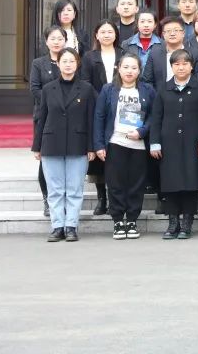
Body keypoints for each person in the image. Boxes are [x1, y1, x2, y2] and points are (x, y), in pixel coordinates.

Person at [32, 47, 96, 242]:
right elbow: (42, 118)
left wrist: (91, 147)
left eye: (72, 61)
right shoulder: (48, 88)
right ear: (58, 64)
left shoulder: (87, 88)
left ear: (78, 64)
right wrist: (37, 146)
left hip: (78, 144)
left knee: (75, 189)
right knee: (55, 189)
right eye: (64, 61)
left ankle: (71, 227)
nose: (68, 65)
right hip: (51, 143)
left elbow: (91, 120)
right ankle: (57, 226)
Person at [94, 53, 156, 240]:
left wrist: (142, 131)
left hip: (138, 145)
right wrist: (99, 145)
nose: (130, 71)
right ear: (118, 69)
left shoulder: (147, 90)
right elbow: (99, 116)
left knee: (136, 184)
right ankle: (118, 220)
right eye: (126, 67)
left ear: (139, 70)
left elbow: (154, 116)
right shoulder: (108, 89)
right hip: (115, 142)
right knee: (115, 184)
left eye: (134, 68)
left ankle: (132, 219)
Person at [150, 49, 198, 240]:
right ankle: (173, 222)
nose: (181, 67)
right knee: (170, 183)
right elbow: (156, 118)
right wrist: (155, 142)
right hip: (168, 144)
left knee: (191, 182)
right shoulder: (164, 89)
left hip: (193, 143)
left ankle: (187, 223)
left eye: (185, 64)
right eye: (177, 64)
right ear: (172, 67)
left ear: (191, 66)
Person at [81, 20, 120, 216]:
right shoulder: (89, 57)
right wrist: (103, 99)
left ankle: (114, 197)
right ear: (96, 35)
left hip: (121, 108)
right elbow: (86, 82)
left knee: (116, 152)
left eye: (110, 31)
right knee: (99, 154)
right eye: (102, 32)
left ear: (115, 34)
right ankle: (101, 198)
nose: (106, 35)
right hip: (97, 108)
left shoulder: (123, 54)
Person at [30, 26, 68, 219]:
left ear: (65, 40)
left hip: (69, 116)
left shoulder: (70, 60)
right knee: (46, 158)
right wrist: (53, 102)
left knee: (67, 157)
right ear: (46, 41)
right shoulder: (38, 63)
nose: (56, 41)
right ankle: (48, 199)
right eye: (52, 38)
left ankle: (65, 199)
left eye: (60, 38)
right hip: (45, 116)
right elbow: (35, 88)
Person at [142, 17, 188, 88]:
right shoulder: (155, 54)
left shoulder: (193, 54)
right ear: (163, 34)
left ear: (183, 33)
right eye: (168, 31)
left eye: (176, 30)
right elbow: (147, 80)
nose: (172, 34)